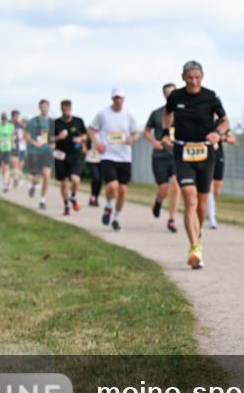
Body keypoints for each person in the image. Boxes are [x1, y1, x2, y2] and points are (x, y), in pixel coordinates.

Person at [162, 61, 228, 268]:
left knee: (201, 202)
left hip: (205, 153)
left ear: (202, 77)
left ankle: (197, 232)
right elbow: (166, 114)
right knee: (189, 198)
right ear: (183, 78)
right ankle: (194, 247)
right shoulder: (176, 97)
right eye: (189, 77)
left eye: (197, 77)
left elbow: (225, 121)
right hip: (183, 152)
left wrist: (217, 133)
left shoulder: (210, 96)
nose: (193, 81)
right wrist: (165, 133)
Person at [89, 88, 139, 231]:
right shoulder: (103, 114)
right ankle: (109, 205)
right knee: (113, 185)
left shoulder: (129, 115)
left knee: (122, 190)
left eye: (120, 98)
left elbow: (136, 134)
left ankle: (116, 218)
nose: (118, 100)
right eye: (116, 98)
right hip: (108, 156)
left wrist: (131, 138)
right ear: (112, 99)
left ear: (124, 99)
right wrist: (97, 143)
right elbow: (91, 129)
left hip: (124, 157)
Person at [144, 83, 180, 233]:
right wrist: (154, 142)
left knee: (176, 187)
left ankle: (171, 219)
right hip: (159, 156)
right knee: (164, 189)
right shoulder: (157, 113)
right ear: (164, 95)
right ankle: (158, 202)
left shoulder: (182, 112)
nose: (170, 95)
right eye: (167, 93)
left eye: (173, 92)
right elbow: (146, 131)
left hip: (176, 155)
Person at [53, 99, 87, 215]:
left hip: (75, 154)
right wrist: (58, 137)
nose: (66, 110)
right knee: (63, 183)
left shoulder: (78, 121)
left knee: (75, 179)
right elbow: (49, 139)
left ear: (71, 108)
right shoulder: (56, 123)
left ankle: (73, 196)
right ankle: (66, 205)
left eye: (68, 107)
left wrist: (81, 139)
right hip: (60, 155)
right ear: (61, 109)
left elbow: (86, 135)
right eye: (64, 108)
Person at [26, 100, 55, 210]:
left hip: (47, 151)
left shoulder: (52, 122)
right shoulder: (33, 121)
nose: (44, 108)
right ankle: (33, 185)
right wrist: (34, 143)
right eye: (42, 107)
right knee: (36, 178)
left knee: (47, 175)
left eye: (45, 106)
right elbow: (27, 136)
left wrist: (53, 145)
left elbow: (54, 138)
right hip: (35, 152)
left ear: (48, 107)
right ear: (39, 108)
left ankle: (42, 199)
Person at [206, 127, 236, 230]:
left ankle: (210, 204)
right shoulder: (204, 119)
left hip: (219, 156)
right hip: (206, 155)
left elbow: (232, 139)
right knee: (210, 187)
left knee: (217, 190)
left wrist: (222, 138)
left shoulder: (221, 125)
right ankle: (212, 217)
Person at [85, 133, 103, 207]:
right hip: (92, 159)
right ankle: (93, 196)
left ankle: (96, 197)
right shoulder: (92, 133)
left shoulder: (105, 133)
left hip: (102, 159)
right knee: (96, 178)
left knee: (100, 180)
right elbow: (86, 143)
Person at [10, 109, 26, 189]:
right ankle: (16, 179)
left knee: (21, 165)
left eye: (18, 116)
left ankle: (16, 177)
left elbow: (27, 130)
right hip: (14, 147)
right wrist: (12, 142)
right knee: (15, 164)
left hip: (22, 147)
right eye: (15, 116)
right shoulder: (10, 125)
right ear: (12, 117)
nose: (17, 118)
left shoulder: (21, 125)